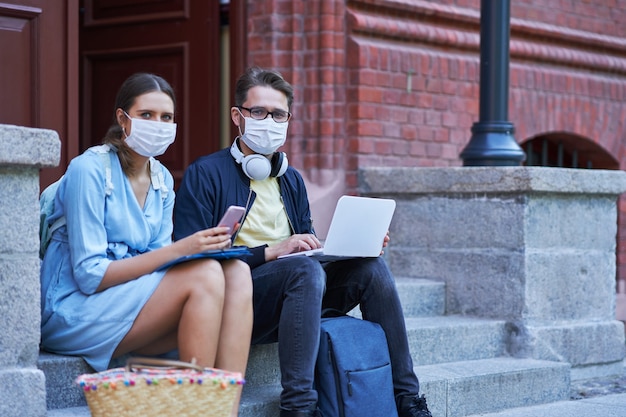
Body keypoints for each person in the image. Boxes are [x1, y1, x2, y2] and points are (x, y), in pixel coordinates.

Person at [173, 67, 432, 417]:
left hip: (298, 295)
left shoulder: (290, 179)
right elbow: (192, 258)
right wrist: (269, 252)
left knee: (372, 268)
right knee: (303, 271)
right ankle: (298, 407)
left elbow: (304, 245)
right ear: (237, 116)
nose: (270, 120)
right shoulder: (206, 173)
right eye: (259, 112)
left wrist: (353, 246)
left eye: (278, 114)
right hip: (240, 300)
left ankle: (408, 399)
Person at [40, 73, 253, 416]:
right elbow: (90, 276)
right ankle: (195, 409)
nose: (158, 124)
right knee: (205, 276)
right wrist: (184, 249)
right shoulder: (89, 170)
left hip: (130, 299)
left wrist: (201, 249)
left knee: (237, 272)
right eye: (147, 115)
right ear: (123, 118)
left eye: (166, 117)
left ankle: (222, 409)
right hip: (73, 308)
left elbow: (156, 260)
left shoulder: (162, 179)